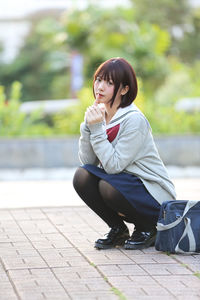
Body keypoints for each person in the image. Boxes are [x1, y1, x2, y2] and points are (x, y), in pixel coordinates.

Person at [73, 57, 176, 250]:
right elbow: (88, 162)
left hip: (154, 196)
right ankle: (118, 229)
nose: (100, 87)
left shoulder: (133, 120)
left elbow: (113, 166)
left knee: (107, 185)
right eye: (98, 80)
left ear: (124, 89)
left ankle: (147, 228)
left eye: (109, 83)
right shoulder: (99, 117)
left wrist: (96, 131)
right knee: (82, 176)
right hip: (126, 188)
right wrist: (87, 128)